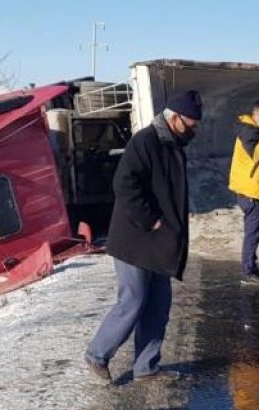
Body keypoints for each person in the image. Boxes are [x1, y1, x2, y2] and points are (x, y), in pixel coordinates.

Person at [84, 90, 203, 383]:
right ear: (174, 118)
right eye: (191, 124)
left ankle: (146, 367)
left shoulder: (173, 142)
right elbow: (124, 185)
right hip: (135, 239)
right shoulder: (146, 141)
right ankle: (97, 355)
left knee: (158, 304)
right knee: (133, 301)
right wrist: (151, 220)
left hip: (158, 242)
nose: (194, 130)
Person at [229, 99, 259, 285]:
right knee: (253, 232)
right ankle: (247, 271)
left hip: (252, 188)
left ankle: (251, 267)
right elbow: (256, 155)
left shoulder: (252, 129)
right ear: (256, 114)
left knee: (255, 231)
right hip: (250, 191)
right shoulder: (249, 130)